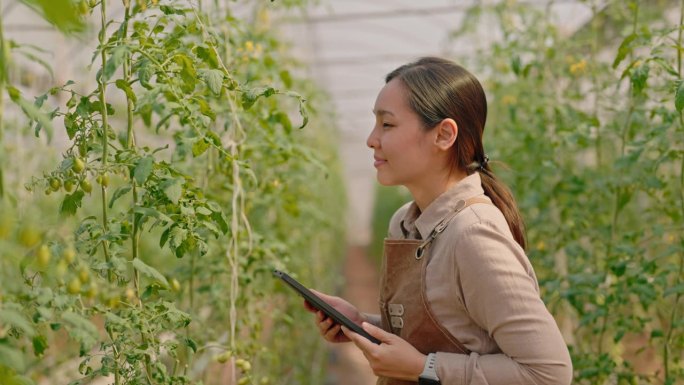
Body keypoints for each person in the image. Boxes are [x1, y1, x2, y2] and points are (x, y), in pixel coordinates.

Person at [305, 57, 573, 385]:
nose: (371, 139)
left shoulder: (473, 234)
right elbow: (446, 333)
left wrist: (424, 367)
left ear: (444, 135)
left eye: (387, 125)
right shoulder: (405, 221)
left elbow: (548, 372)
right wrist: (362, 325)